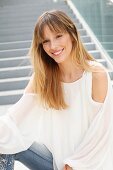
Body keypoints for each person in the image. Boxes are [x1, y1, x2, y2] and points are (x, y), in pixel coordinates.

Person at [0, 9, 113, 170]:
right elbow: (13, 120)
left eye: (58, 36)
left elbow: (102, 134)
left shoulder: (96, 75)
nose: (53, 46)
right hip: (54, 163)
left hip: (90, 164)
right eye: (45, 41)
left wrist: (75, 164)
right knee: (5, 143)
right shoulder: (43, 78)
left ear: (72, 33)